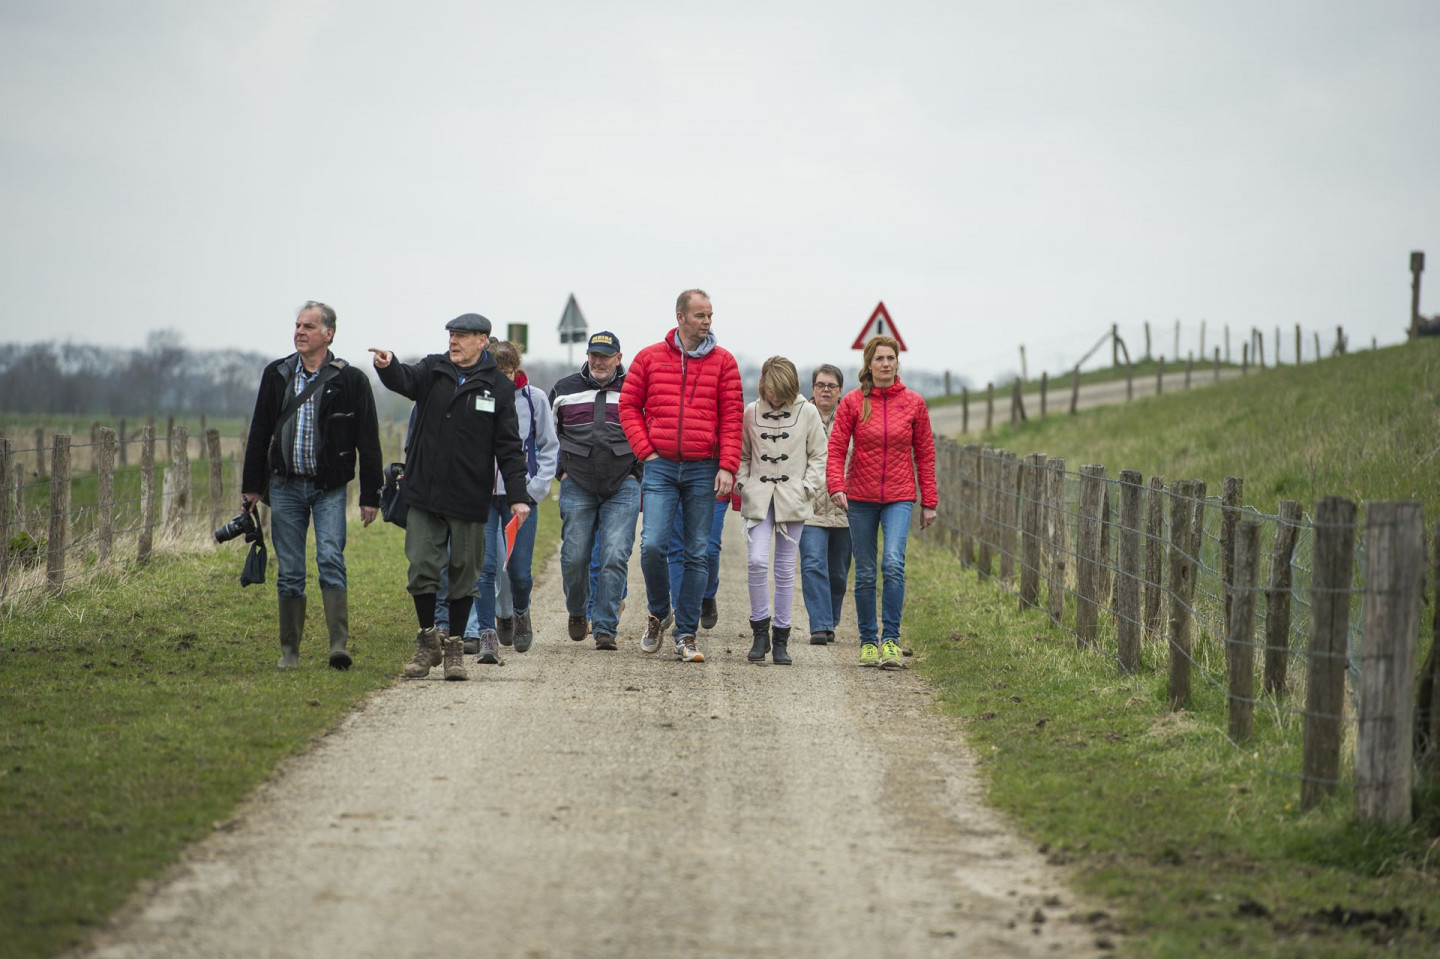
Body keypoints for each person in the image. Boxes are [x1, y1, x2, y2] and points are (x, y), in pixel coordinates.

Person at [369, 314, 531, 681]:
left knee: (464, 573)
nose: (453, 341)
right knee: (422, 569)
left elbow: (508, 448)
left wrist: (518, 496)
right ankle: (428, 641)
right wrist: (388, 365)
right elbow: (405, 380)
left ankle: (455, 647)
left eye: (461, 336)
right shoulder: (433, 369)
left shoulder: (498, 388)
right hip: (424, 490)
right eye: (451, 335)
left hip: (470, 496)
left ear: (482, 340)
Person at [242, 301, 382, 671]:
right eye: (297, 325)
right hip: (284, 487)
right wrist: (251, 486)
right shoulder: (277, 374)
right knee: (289, 570)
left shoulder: (351, 380)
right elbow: (259, 432)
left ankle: (338, 646)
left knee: (330, 560)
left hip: (329, 489)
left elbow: (368, 441)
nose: (299, 332)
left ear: (328, 334)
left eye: (308, 326)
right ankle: (290, 652)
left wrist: (371, 496)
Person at [619, 289, 743, 663]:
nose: (707, 321)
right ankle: (659, 611)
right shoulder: (649, 358)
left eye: (710, 315)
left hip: (704, 467)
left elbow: (733, 416)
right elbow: (628, 405)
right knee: (653, 544)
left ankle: (686, 634)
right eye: (700, 315)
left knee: (697, 552)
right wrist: (646, 450)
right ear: (680, 317)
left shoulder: (724, 362)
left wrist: (727, 466)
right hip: (660, 466)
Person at [826, 335, 938, 670]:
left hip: (899, 497)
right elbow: (835, 448)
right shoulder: (852, 403)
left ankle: (890, 641)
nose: (886, 364)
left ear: (897, 363)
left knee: (892, 563)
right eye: (880, 359)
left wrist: (929, 500)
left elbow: (926, 454)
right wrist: (836, 485)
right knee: (864, 572)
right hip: (859, 496)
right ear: (869, 364)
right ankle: (868, 642)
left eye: (891, 358)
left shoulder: (914, 403)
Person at [455, 341, 558, 659]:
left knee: (518, 571)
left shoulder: (535, 399)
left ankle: (520, 611)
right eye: (497, 373)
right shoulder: (477, 397)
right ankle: (487, 633)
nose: (504, 379)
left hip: (520, 499)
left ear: (517, 371)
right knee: (484, 569)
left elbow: (549, 447)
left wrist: (535, 489)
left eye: (509, 373)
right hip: (482, 499)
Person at [551, 331, 641, 650]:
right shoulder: (564, 390)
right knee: (574, 556)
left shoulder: (635, 389)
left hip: (623, 483)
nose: (598, 361)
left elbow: (647, 435)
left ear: (619, 358)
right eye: (594, 355)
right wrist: (560, 471)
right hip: (577, 482)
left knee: (614, 554)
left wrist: (637, 476)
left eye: (605, 355)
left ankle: (605, 626)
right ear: (587, 356)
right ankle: (578, 611)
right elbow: (551, 437)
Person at [736, 356, 827, 665]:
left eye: (780, 391)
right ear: (763, 385)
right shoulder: (751, 412)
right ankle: (759, 633)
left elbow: (819, 454)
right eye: (770, 390)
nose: (774, 396)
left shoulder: (808, 412)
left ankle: (781, 638)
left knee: (786, 570)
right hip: (759, 498)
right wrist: (742, 482)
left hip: (793, 499)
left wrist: (808, 486)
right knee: (757, 561)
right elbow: (743, 454)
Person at [799, 364, 851, 645]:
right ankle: (819, 625)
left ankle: (830, 620)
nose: (826, 390)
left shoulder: (853, 416)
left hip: (845, 509)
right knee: (813, 564)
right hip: (809, 508)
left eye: (831, 385)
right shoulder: (800, 416)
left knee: (839, 573)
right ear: (813, 388)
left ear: (840, 390)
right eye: (820, 385)